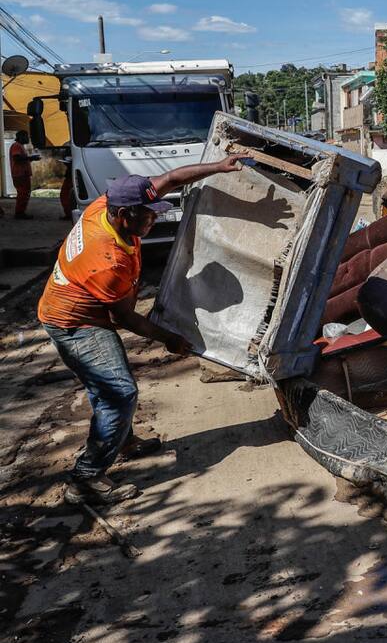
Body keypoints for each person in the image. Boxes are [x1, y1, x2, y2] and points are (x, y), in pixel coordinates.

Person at [38, 158, 243, 505]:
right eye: (147, 215)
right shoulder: (107, 259)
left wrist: (221, 167)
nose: (154, 218)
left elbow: (174, 177)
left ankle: (122, 440)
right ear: (123, 216)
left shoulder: (108, 204)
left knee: (108, 387)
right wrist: (170, 339)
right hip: (75, 322)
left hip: (79, 310)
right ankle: (85, 478)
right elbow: (125, 318)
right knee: (119, 392)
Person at [9, 130, 34, 219]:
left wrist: (29, 159)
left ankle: (21, 212)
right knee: (23, 193)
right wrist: (30, 157)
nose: (28, 138)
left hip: (22, 174)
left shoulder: (20, 146)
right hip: (20, 174)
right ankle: (19, 213)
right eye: (26, 136)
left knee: (24, 193)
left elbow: (21, 159)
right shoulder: (16, 146)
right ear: (21, 137)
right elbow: (17, 158)